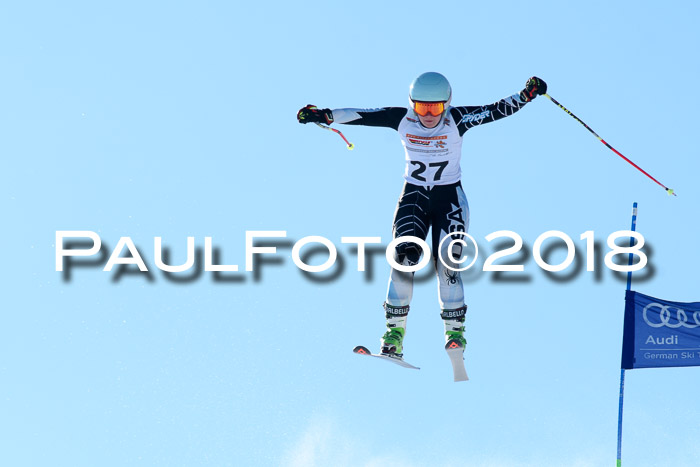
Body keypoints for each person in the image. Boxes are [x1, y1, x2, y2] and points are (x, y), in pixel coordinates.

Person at [297, 72, 547, 358]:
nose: (429, 115)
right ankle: (394, 334)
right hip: (414, 197)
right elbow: (361, 115)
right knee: (403, 258)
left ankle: (455, 333)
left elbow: (494, 110)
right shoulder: (402, 119)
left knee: (448, 263)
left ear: (447, 104)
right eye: (422, 107)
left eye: (436, 108)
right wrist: (324, 115)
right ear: (412, 104)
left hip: (449, 199)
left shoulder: (458, 120)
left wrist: (526, 95)